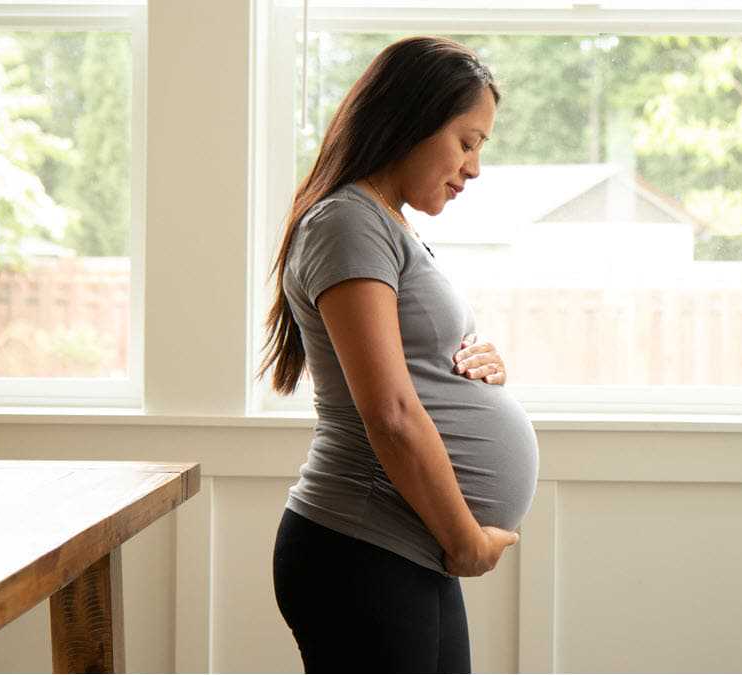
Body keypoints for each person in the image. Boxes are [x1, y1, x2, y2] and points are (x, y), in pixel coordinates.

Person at [259, 36, 540, 673]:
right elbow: (388, 411)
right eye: (466, 141)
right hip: (363, 546)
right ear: (410, 118)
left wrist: (479, 372)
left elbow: (410, 368)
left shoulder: (382, 223)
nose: (474, 168)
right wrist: (465, 539)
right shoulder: (347, 222)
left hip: (406, 543)